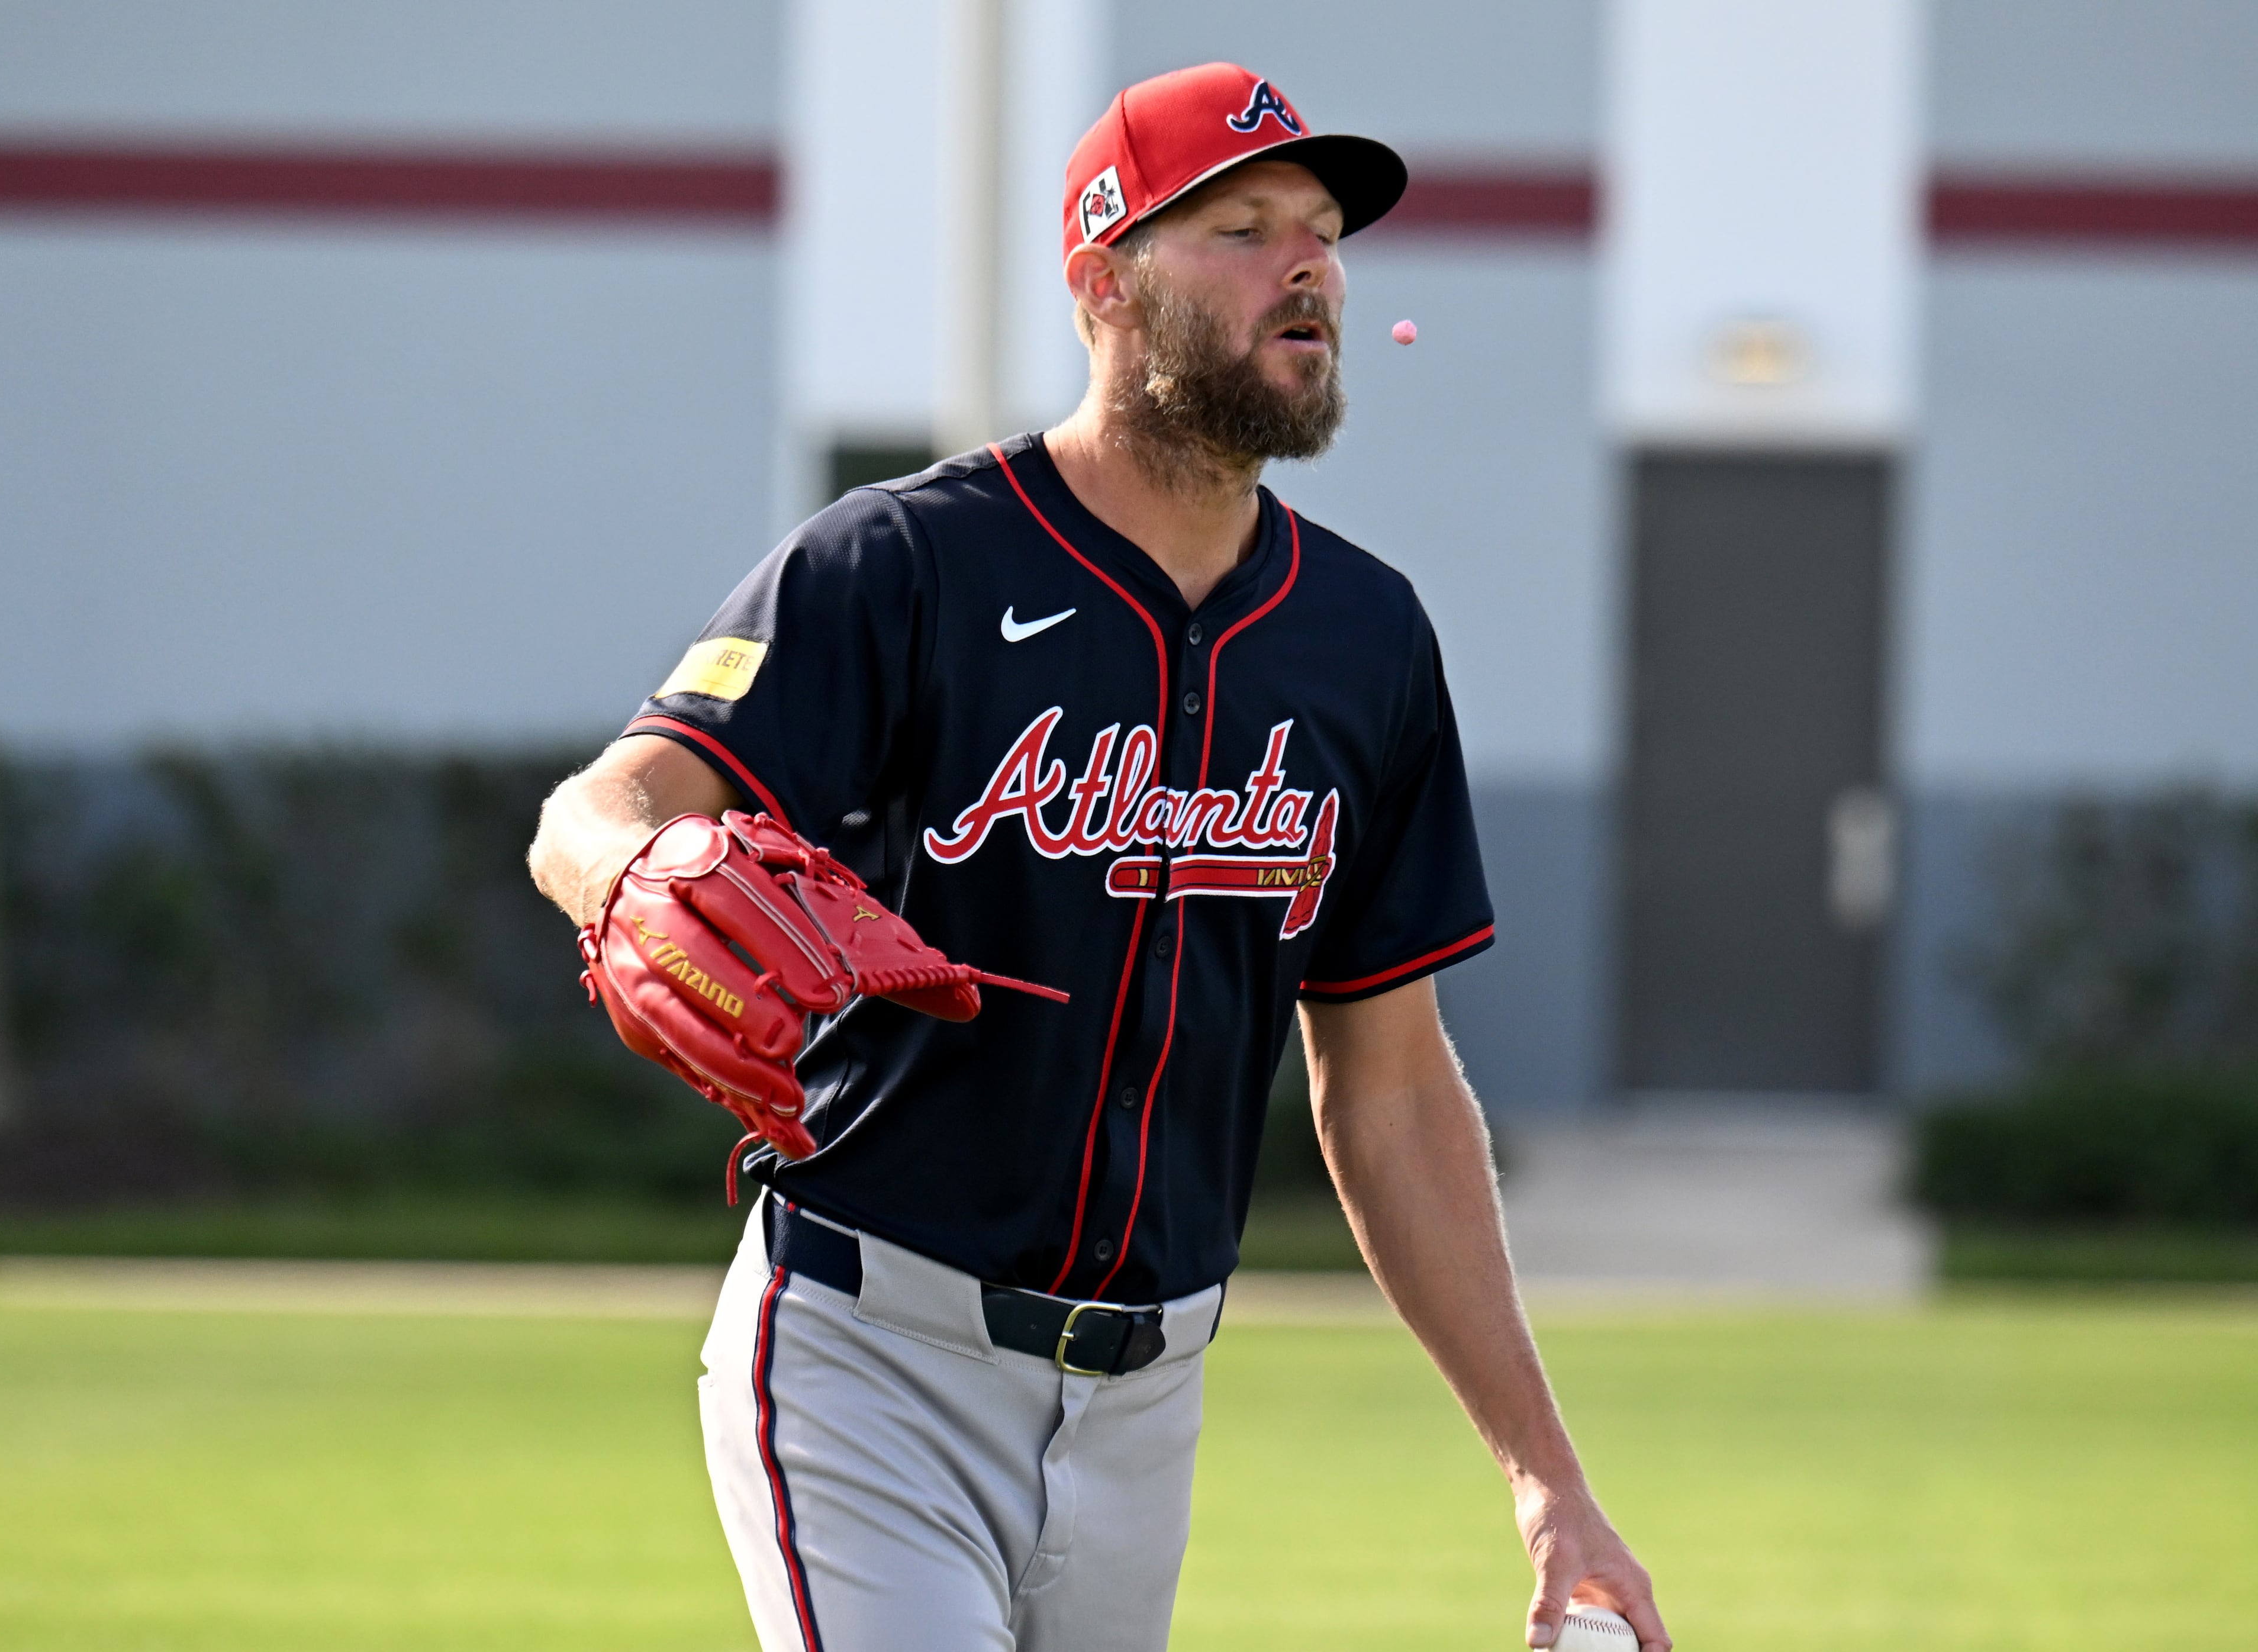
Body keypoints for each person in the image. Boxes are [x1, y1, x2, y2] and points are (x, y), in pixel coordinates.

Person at [528, 60, 1668, 1652]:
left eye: (1326, 233)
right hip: (873, 1360)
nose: (1308, 268)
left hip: (1150, 1412)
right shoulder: (906, 561)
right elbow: (604, 804)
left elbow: (1394, 1085)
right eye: (1243, 227)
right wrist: (628, 877)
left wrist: (1547, 1479)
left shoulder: (1364, 639)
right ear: (1102, 284)